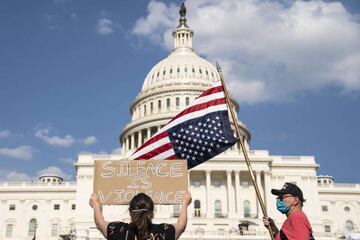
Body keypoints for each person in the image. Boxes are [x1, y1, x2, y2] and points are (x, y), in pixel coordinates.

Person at [89, 191, 192, 240]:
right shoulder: (164, 231)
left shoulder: (118, 230)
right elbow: (181, 226)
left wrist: (96, 205)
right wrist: (184, 204)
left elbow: (99, 223)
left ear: (130, 212)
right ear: (152, 213)